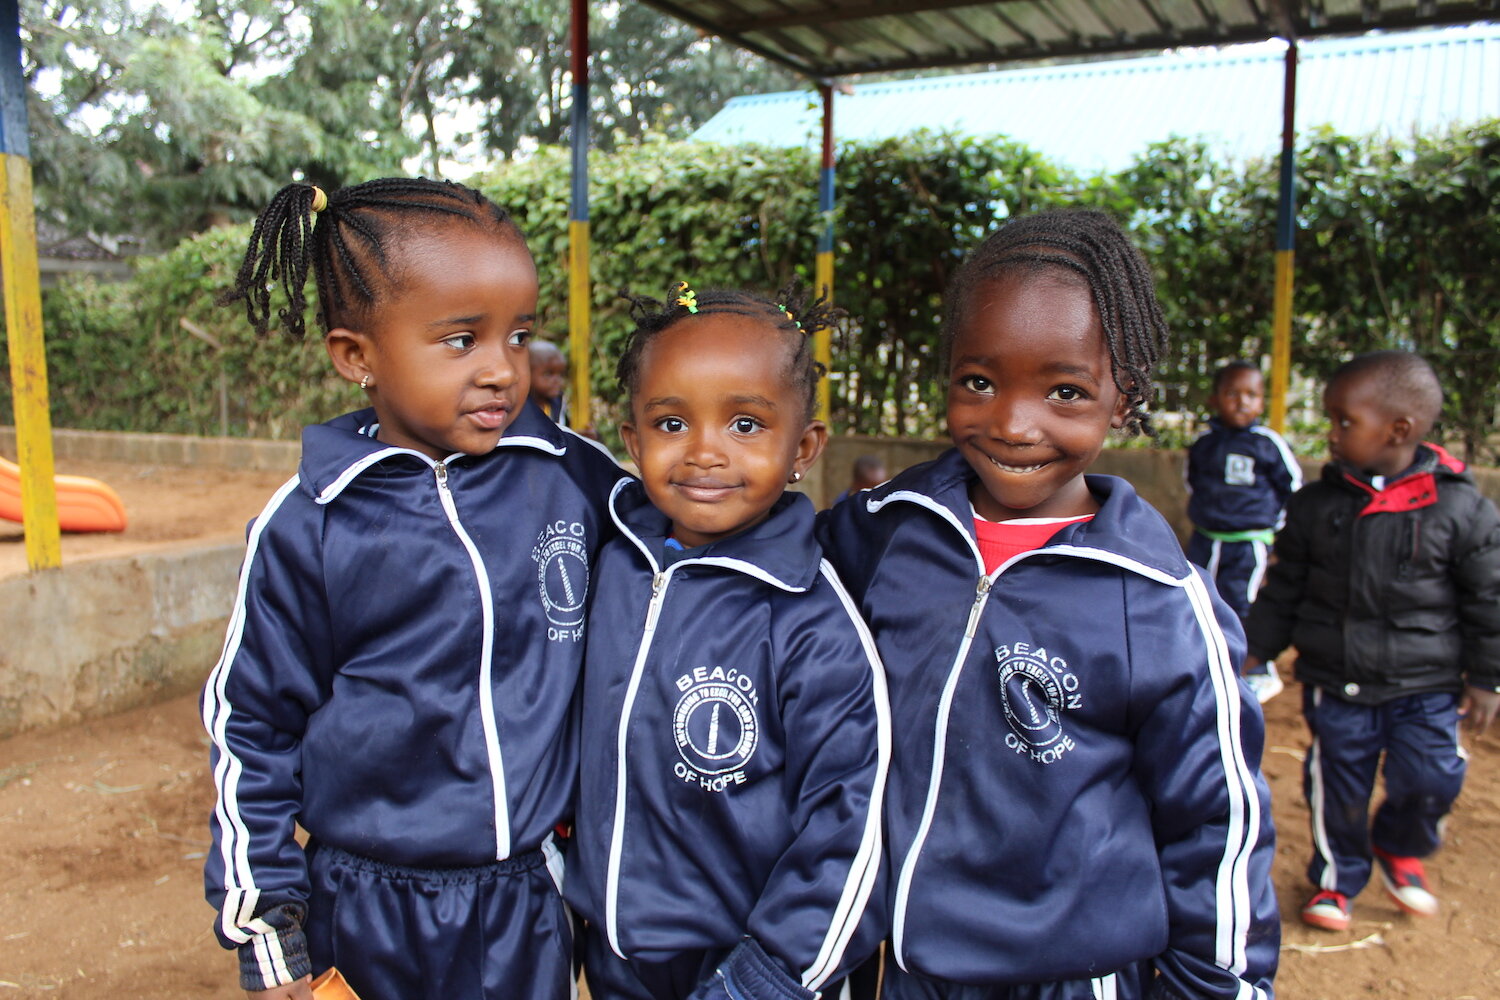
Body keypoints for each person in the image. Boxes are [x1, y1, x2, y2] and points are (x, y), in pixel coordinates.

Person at [819, 209, 1278, 999]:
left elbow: (1218, 821)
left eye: (1065, 391)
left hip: (1067, 974)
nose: (1011, 423)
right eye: (979, 381)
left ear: (1124, 396)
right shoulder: (888, 530)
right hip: (905, 963)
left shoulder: (1160, 600)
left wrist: (1216, 986)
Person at [202, 178, 626, 1000]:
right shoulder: (310, 524)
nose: (504, 370)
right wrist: (268, 927)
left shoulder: (571, 477)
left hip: (524, 901)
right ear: (356, 356)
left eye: (518, 335)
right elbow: (248, 722)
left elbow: (689, 540)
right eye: (462, 340)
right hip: (362, 906)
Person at [564, 281, 889, 1000]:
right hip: (619, 958)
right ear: (633, 441)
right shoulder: (612, 565)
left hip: (755, 971)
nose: (704, 453)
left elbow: (852, 826)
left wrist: (766, 977)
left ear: (804, 446)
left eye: (745, 425)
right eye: (671, 424)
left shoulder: (810, 619)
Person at [1243, 350, 1500, 934]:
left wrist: (1488, 679)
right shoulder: (1314, 507)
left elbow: (1489, 599)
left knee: (1431, 778)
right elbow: (1284, 589)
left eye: (1343, 421)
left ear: (1399, 430)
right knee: (1338, 787)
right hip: (1339, 685)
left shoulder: (1460, 507)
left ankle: (1400, 847)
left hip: (1428, 688)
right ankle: (1338, 877)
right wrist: (1251, 649)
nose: (1330, 433)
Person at [1185, 361, 1302, 703]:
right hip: (1207, 539)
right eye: (1232, 393)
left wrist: (1275, 530)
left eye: (1251, 395)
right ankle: (1209, 663)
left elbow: (1291, 487)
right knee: (1202, 596)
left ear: (1262, 403)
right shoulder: (1204, 443)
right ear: (1215, 400)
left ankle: (1257, 669)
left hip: (1249, 543)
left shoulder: (1268, 443)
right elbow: (1191, 481)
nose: (1241, 402)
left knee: (1243, 601)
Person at [529, 338, 571, 424]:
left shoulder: (557, 404)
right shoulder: (517, 409)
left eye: (561, 374)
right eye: (548, 374)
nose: (557, 380)